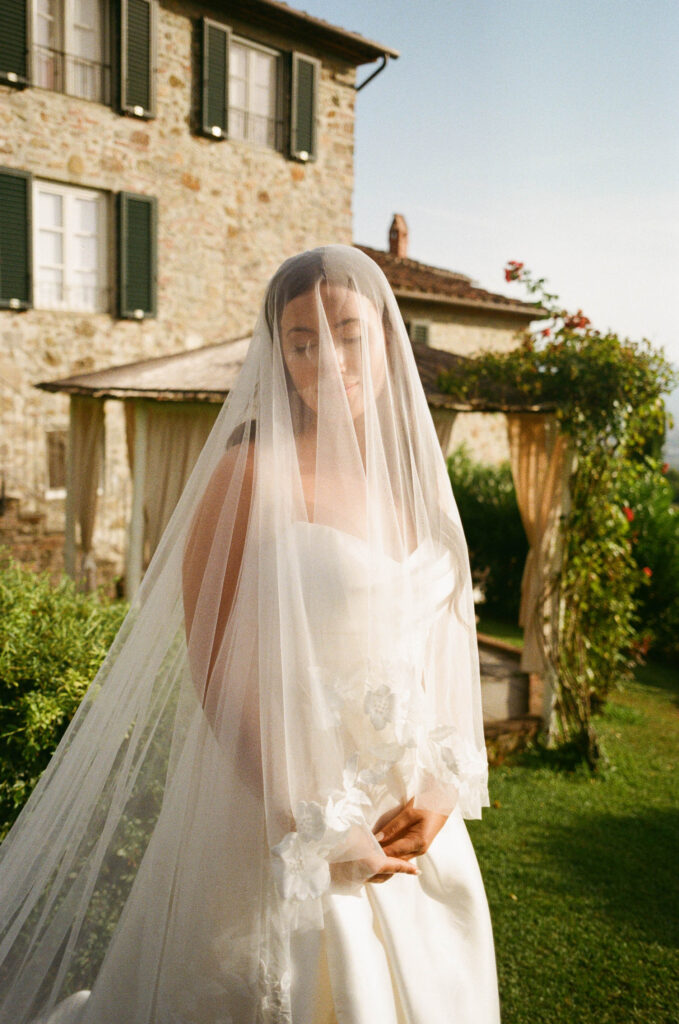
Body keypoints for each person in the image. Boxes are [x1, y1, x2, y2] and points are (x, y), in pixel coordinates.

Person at [0, 246, 500, 1023]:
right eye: (300, 341)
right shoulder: (248, 473)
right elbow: (213, 664)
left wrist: (439, 793)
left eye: (346, 332)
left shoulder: (417, 482)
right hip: (282, 806)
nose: (326, 359)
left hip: (408, 820)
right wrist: (311, 821)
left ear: (385, 339)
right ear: (278, 353)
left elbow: (444, 644)